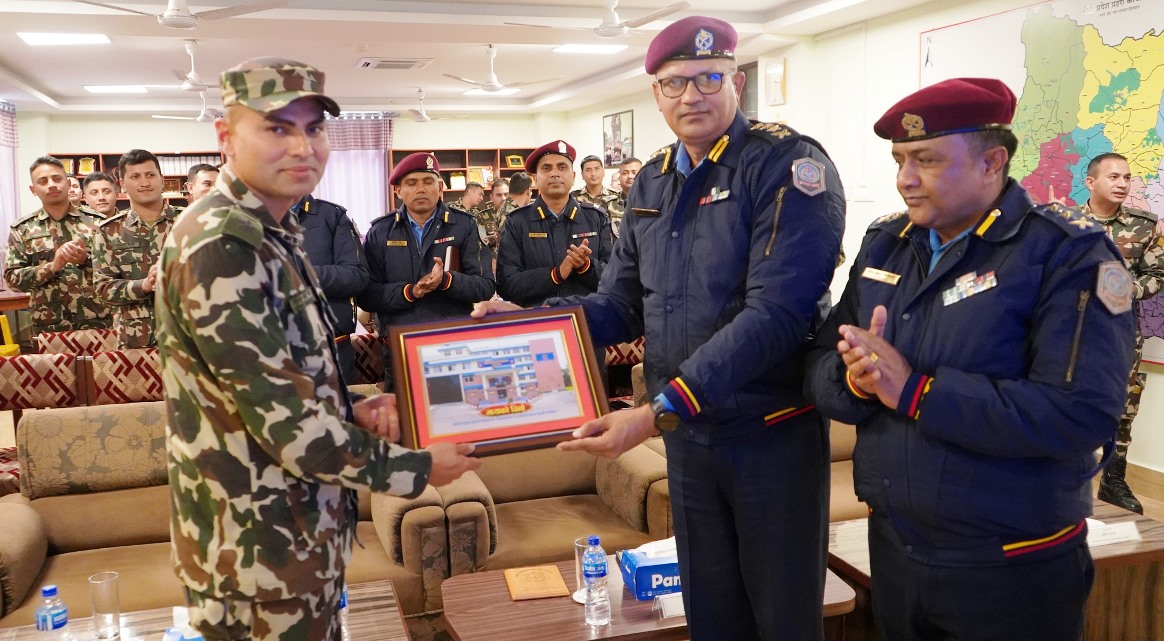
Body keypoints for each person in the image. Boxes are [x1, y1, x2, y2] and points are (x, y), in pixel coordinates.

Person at [475, 17, 845, 640]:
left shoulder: (787, 164)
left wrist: (658, 410)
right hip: (690, 441)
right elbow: (620, 303)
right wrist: (530, 324)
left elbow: (777, 315)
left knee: (781, 620)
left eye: (708, 79)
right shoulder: (654, 178)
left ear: (736, 82)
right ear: (656, 93)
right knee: (710, 615)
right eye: (675, 83)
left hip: (768, 436)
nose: (691, 96)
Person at [155, 57, 479, 641]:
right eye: (277, 128)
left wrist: (350, 409)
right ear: (226, 137)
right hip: (256, 553)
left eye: (315, 128)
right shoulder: (223, 244)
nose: (302, 146)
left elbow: (276, 384)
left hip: (291, 536)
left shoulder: (270, 230)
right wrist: (419, 467)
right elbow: (290, 429)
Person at [805, 78, 1135, 641]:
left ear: (992, 162)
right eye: (900, 160)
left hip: (1011, 564)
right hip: (897, 550)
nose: (905, 178)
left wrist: (916, 392)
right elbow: (821, 362)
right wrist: (857, 383)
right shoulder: (887, 243)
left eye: (927, 159)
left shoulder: (1068, 252)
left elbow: (1080, 413)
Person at [357, 152, 495, 390]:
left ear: (440, 188)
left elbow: (485, 287)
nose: (421, 189)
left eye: (428, 181)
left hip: (453, 344)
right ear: (398, 191)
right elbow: (367, 295)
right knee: (402, 411)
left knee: (456, 409)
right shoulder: (380, 231)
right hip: (400, 345)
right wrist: (410, 292)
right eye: (411, 183)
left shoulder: (465, 225)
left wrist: (447, 281)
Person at [1080, 152, 1164, 514]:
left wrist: (1129, 289)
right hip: (1069, 330)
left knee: (1124, 403)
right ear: (1091, 182)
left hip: (1120, 331)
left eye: (1127, 177)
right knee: (1060, 395)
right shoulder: (1062, 222)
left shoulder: (1144, 226)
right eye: (1114, 177)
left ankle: (1113, 481)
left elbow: (1157, 276)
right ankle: (1059, 477)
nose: (1122, 184)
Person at [495, 141, 613, 308]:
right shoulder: (517, 222)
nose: (555, 173)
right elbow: (506, 285)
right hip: (539, 318)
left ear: (573, 176)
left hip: (588, 316)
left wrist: (586, 267)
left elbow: (615, 278)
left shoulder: (596, 219)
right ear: (535, 179)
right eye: (546, 168)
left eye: (562, 167)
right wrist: (554, 275)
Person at [4, 156, 111, 334]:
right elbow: (12, 280)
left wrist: (87, 260)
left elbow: (117, 270)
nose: (52, 185)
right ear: (33, 190)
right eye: (43, 181)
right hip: (49, 327)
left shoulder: (98, 222)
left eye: (57, 178)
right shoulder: (23, 229)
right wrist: (52, 267)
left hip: (99, 322)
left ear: (68, 184)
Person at [91, 149, 180, 348]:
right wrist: (144, 285)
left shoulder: (188, 221)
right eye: (135, 177)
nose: (144, 182)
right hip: (136, 340)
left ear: (162, 179)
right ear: (122, 184)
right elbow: (103, 289)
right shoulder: (109, 231)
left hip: (186, 335)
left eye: (150, 175)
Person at [291, 194, 369, 385]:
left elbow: (357, 275)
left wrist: (305, 274)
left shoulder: (331, 216)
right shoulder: (248, 215)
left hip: (330, 348)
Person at [571, 154, 622, 222]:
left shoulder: (616, 197)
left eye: (597, 169)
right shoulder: (572, 197)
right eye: (588, 170)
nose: (593, 174)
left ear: (603, 172)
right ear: (582, 175)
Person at [613, 156, 642, 237]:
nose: (630, 176)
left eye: (634, 172)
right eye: (625, 173)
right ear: (619, 177)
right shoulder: (607, 204)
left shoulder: (653, 202)